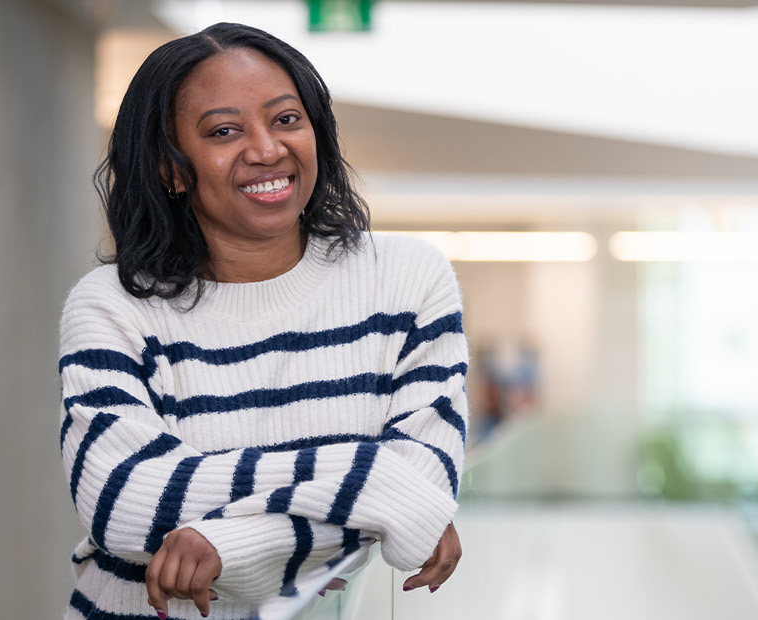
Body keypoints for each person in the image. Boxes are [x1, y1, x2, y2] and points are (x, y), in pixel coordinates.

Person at [58, 22, 468, 620]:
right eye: (224, 131)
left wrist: (232, 542)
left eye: (286, 119)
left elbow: (424, 487)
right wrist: (374, 478)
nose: (267, 150)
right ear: (171, 168)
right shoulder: (112, 306)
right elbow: (125, 501)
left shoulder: (408, 280)